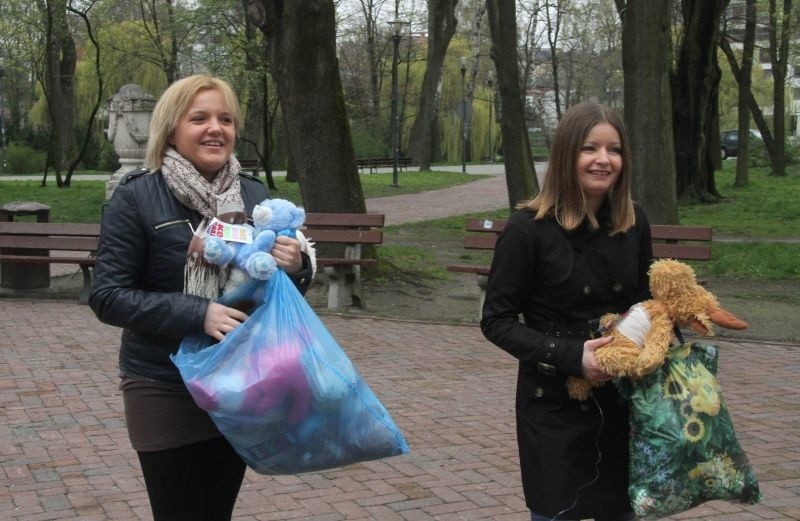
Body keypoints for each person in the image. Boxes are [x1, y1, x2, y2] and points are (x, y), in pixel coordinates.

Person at [90, 74, 314, 521]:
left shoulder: (253, 195)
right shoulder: (136, 197)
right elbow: (107, 295)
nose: (217, 128)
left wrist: (297, 266)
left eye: (226, 119)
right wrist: (198, 312)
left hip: (239, 380)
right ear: (171, 128)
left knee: (216, 511)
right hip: (163, 382)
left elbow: (268, 286)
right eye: (200, 118)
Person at [480, 102, 652, 521]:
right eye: (589, 148)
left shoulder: (634, 223)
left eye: (614, 149)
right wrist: (571, 355)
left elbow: (647, 303)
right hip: (552, 406)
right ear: (566, 155)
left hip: (621, 404)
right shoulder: (527, 229)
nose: (603, 159)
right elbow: (496, 321)